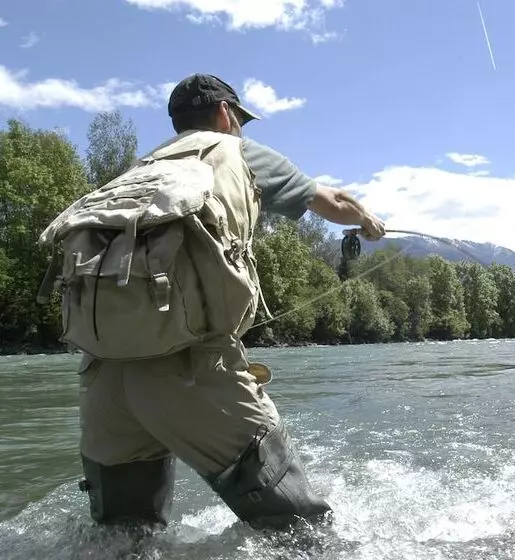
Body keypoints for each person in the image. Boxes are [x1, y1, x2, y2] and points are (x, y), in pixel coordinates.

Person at [74, 73, 385, 530]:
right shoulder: (235, 151)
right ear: (226, 114)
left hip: (102, 379)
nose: (240, 128)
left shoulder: (138, 170)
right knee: (299, 533)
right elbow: (331, 200)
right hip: (190, 370)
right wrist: (368, 221)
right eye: (240, 119)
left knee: (123, 541)